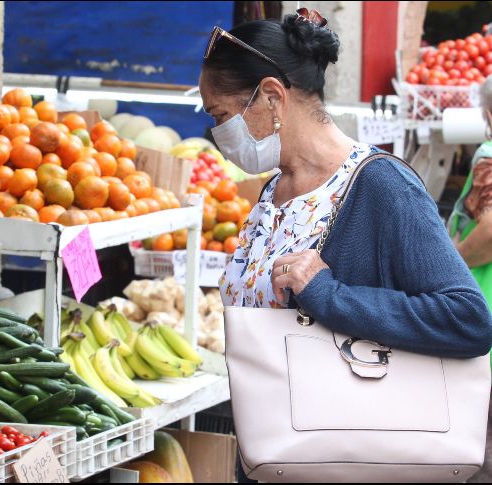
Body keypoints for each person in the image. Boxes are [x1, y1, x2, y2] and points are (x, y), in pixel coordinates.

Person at [200, 9, 492, 483]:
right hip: (275, 458)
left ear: (272, 96)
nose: (218, 138)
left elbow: (467, 319)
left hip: (349, 455)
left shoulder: (381, 186)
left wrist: (327, 293)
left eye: (222, 116)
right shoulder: (272, 192)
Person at [448, 75, 492, 484]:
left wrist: (450, 261)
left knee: (478, 444)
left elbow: (491, 231)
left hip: (484, 297)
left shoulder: (489, 156)